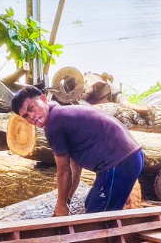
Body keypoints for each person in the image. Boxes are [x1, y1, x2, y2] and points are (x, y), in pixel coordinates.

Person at [11, 85, 143, 216]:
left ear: (44, 99)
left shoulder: (54, 124)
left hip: (119, 164)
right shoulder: (63, 116)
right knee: (89, 204)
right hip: (131, 158)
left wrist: (61, 206)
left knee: (95, 221)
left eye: (31, 108)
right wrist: (65, 201)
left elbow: (63, 172)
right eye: (26, 116)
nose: (31, 117)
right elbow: (75, 171)